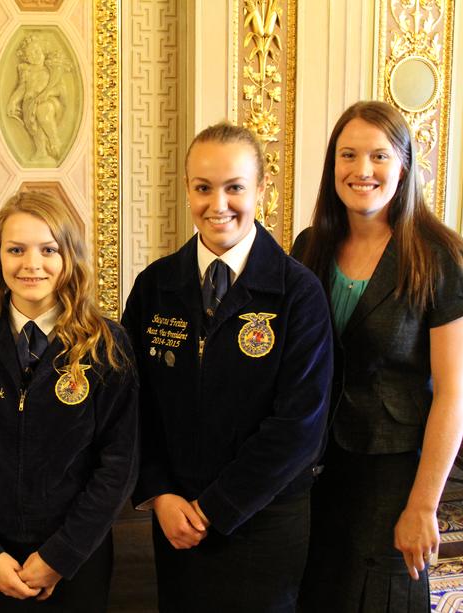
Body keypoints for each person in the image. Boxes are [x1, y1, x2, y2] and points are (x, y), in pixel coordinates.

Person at [122, 123, 333, 611]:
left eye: (235, 187)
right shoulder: (154, 286)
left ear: (261, 189)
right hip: (176, 519)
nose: (218, 204)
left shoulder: (298, 293)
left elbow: (300, 425)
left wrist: (216, 508)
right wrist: (159, 493)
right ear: (187, 190)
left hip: (265, 519)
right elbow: (133, 404)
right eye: (203, 188)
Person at [293, 100, 463, 611]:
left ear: (403, 165)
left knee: (381, 596)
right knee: (318, 590)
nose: (362, 171)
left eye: (378, 156)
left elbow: (452, 395)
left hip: (393, 470)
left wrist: (424, 505)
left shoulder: (442, 256)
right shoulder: (310, 247)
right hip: (317, 464)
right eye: (347, 155)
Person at [0, 191, 138, 612]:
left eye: (48, 249)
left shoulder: (106, 346)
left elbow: (119, 464)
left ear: (69, 257)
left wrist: (60, 556)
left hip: (77, 557)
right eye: (16, 249)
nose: (32, 264)